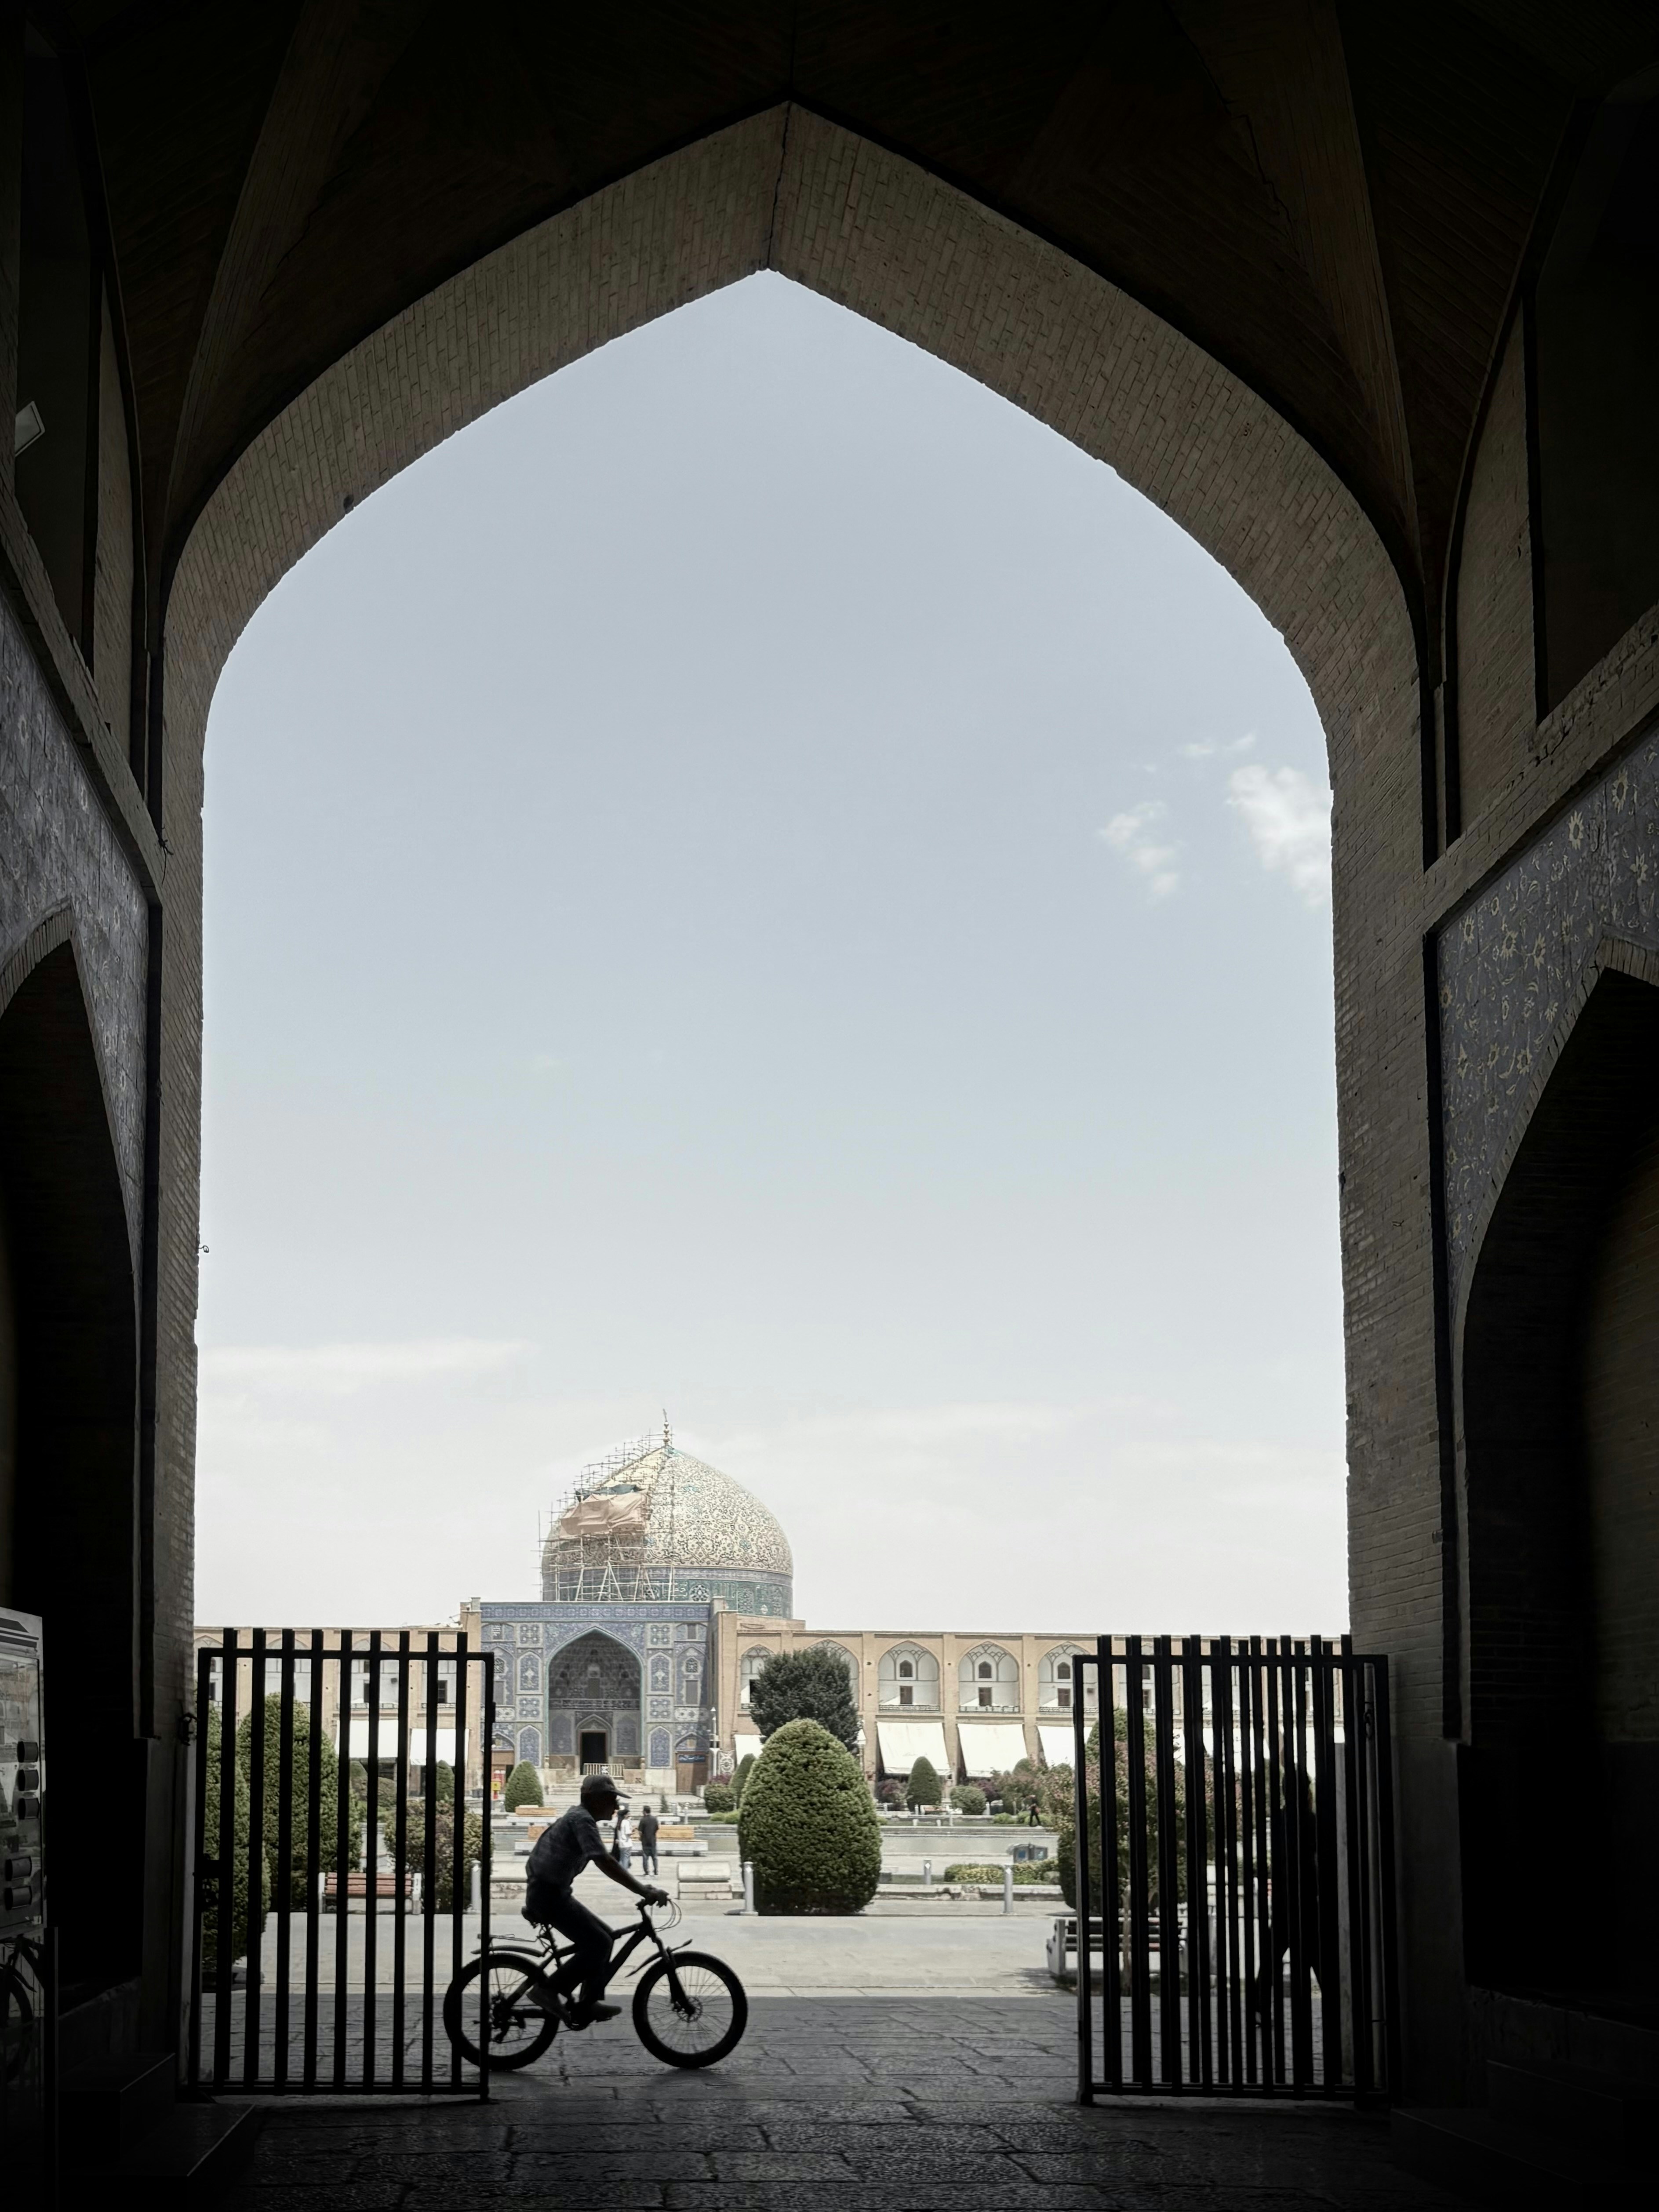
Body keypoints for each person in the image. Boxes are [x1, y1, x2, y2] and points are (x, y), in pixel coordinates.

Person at [522, 1775, 666, 2024]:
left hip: (551, 1892)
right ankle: (547, 1990)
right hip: (548, 1895)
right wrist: (644, 1891)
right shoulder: (582, 1820)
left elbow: (606, 1861)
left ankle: (588, 2003)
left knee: (607, 1937)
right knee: (599, 1943)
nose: (617, 1806)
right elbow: (605, 1861)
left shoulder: (579, 1817)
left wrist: (642, 1888)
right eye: (612, 1800)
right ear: (597, 1800)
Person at [637, 1802, 659, 1877]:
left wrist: (641, 1837)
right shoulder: (655, 1819)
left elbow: (640, 1831)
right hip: (653, 1841)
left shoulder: (643, 1820)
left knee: (645, 1857)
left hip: (645, 1841)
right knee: (654, 1857)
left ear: (644, 1812)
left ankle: (647, 1872)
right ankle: (656, 1871)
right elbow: (657, 1829)